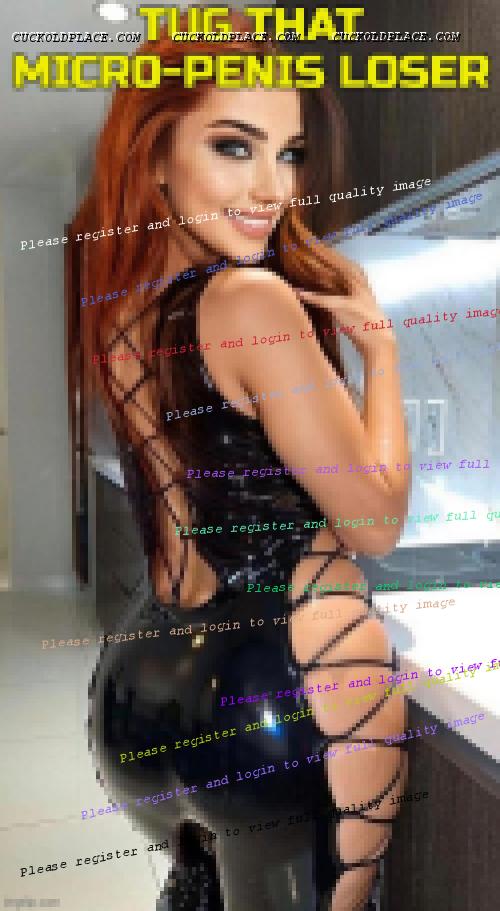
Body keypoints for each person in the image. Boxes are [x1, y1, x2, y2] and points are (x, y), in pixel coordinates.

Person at [66, 13, 410, 910]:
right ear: (153, 156)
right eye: (233, 146)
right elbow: (376, 522)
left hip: (145, 681)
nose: (271, 188)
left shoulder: (124, 310)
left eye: (288, 154)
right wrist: (381, 353)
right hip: (281, 681)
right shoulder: (251, 299)